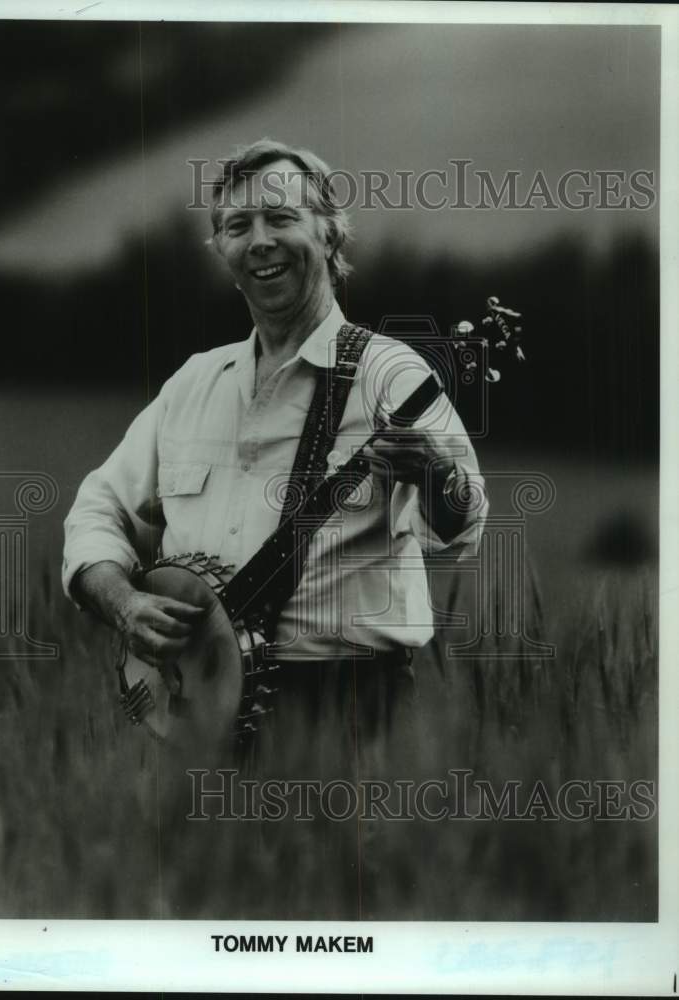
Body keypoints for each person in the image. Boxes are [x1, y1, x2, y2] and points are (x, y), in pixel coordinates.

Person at [62, 138, 487, 917]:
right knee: (204, 917)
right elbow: (100, 508)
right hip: (189, 706)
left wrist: (435, 473)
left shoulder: (392, 374)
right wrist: (121, 602)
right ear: (220, 247)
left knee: (336, 918)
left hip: (348, 711)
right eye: (235, 224)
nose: (258, 240)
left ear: (329, 233)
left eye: (281, 217)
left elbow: (461, 528)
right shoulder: (196, 380)